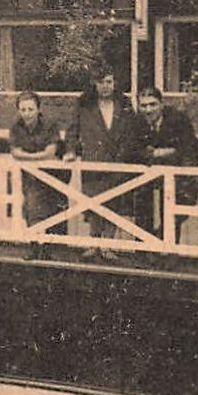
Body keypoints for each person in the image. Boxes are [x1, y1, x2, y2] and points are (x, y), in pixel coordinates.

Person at [64, 71, 135, 259]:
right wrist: (70, 151)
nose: (105, 86)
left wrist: (126, 154)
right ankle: (94, 243)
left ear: (115, 83)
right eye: (101, 82)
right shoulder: (84, 105)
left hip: (117, 160)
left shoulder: (124, 104)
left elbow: (132, 131)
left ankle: (108, 246)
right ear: (94, 84)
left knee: (114, 202)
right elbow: (73, 130)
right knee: (93, 202)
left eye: (109, 82)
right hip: (93, 159)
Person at [131, 86, 198, 239]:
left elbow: (187, 147)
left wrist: (166, 153)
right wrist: (155, 153)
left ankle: (168, 253)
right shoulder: (136, 121)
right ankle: (143, 251)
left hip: (183, 173)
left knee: (173, 212)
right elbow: (130, 150)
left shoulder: (178, 119)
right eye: (143, 105)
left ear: (161, 104)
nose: (148, 110)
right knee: (142, 202)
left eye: (153, 104)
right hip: (151, 173)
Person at [7, 91, 65, 258]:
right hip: (29, 175)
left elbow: (51, 151)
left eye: (30, 109)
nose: (27, 113)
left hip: (51, 173)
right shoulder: (16, 126)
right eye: (23, 109)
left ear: (38, 109)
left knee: (49, 210)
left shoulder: (49, 124)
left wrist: (29, 157)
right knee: (30, 209)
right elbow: (15, 152)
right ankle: (35, 247)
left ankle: (47, 250)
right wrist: (34, 158)